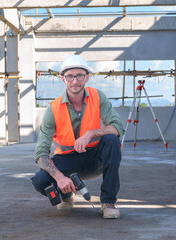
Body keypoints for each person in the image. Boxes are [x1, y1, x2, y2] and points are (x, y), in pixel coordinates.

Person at [31, 54, 124, 219]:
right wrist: (59, 177)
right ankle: (66, 195)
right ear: (63, 79)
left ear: (87, 77)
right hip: (67, 161)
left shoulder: (98, 97)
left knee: (111, 139)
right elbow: (40, 153)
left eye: (79, 75)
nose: (75, 81)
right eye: (70, 76)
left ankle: (108, 202)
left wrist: (92, 133)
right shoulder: (53, 109)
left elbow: (118, 127)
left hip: (95, 159)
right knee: (39, 180)